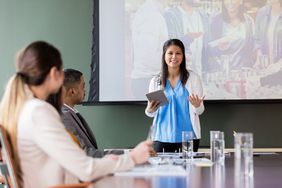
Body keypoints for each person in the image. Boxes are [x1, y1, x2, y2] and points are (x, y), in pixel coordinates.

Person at [0, 41, 152, 188]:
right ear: (54, 73)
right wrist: (132, 158)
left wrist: (108, 162)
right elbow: (86, 169)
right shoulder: (38, 112)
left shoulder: (21, 109)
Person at [145, 39, 205, 153]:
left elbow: (200, 111)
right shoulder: (155, 81)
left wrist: (197, 106)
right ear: (164, 56)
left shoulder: (193, 78)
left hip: (188, 138)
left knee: (188, 170)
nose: (174, 57)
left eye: (178, 53)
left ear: (183, 56)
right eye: (170, 53)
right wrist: (150, 109)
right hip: (161, 137)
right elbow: (150, 113)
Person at [61, 69, 123, 157]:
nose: (85, 91)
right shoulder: (64, 116)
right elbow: (85, 154)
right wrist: (127, 154)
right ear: (72, 91)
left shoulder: (69, 113)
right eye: (83, 86)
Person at [207, 0, 255, 71]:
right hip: (220, 70)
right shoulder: (215, 20)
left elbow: (252, 46)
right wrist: (219, 47)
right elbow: (208, 48)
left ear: (240, 1)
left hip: (242, 71)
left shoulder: (248, 21)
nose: (230, 2)